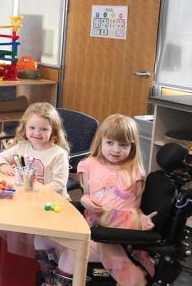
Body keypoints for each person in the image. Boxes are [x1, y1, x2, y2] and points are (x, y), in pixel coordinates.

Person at [33, 115, 156, 286]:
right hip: (91, 225)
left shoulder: (134, 172)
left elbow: (136, 207)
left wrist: (143, 219)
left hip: (112, 237)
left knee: (73, 254)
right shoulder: (91, 164)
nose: (116, 149)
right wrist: (84, 200)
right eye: (110, 143)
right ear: (101, 141)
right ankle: (49, 278)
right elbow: (87, 194)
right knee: (41, 237)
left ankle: (58, 282)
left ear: (132, 147)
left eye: (123, 145)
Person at [0, 102, 70, 198]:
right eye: (32, 128)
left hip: (52, 200)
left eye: (44, 129)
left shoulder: (59, 154)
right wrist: (3, 165)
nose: (37, 133)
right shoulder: (22, 147)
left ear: (53, 130)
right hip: (28, 197)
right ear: (25, 127)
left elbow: (58, 185)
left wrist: (34, 192)